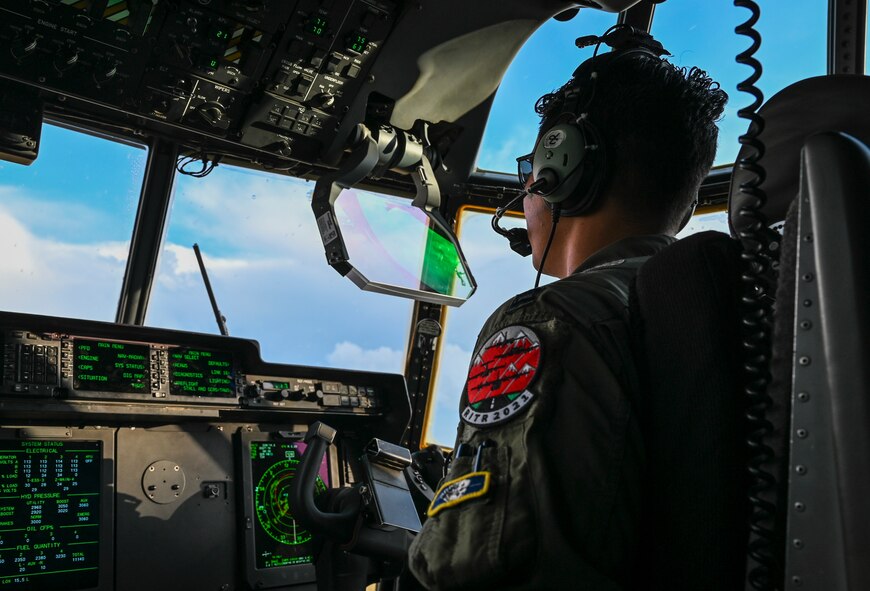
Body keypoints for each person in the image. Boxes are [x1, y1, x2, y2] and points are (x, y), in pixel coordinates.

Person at [407, 25, 728, 591]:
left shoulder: (552, 321)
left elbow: (487, 568)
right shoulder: (713, 300)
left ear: (562, 169)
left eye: (533, 167)